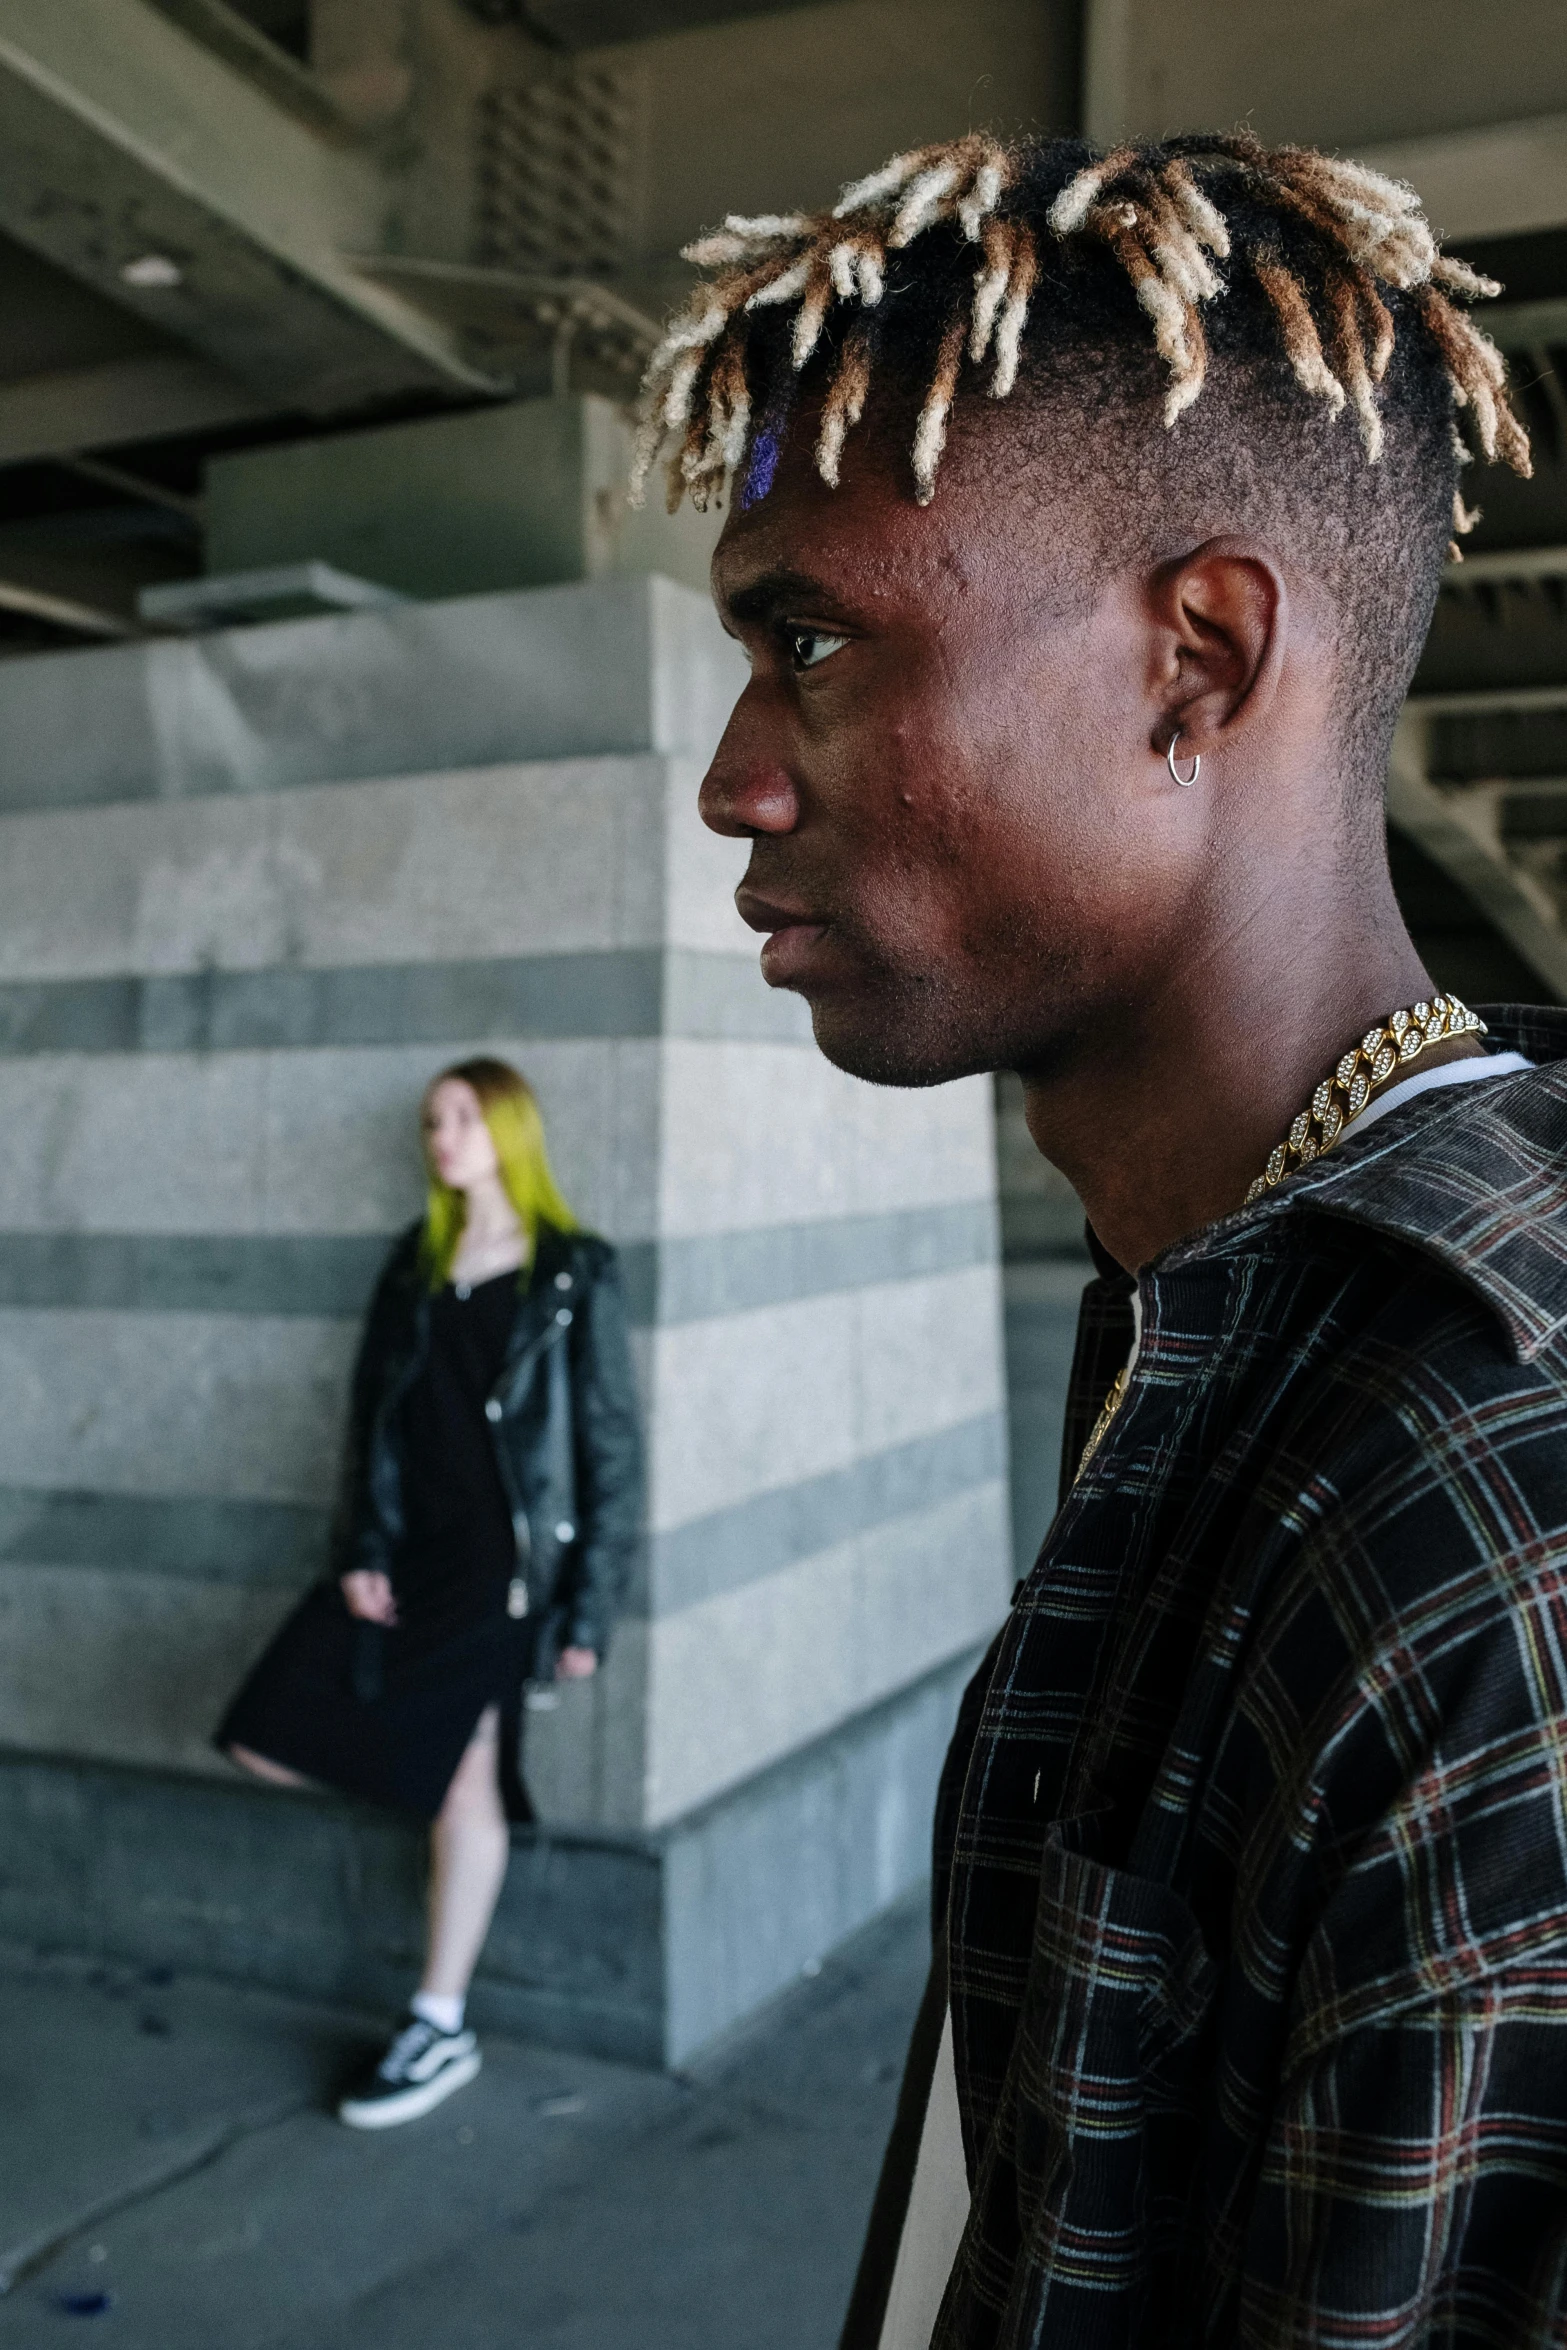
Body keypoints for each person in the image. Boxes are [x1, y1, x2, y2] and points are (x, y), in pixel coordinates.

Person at [632, 131, 1567, 2344]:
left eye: (816, 638)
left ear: (1199, 659)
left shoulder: (1501, 1493)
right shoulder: (1214, 1305)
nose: (735, 778)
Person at [218, 1057, 640, 2128]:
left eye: (461, 1116)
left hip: (505, 1576)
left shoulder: (572, 1271)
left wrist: (587, 1606)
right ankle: (439, 2017)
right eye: (431, 1120)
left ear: (508, 1130)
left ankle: (438, 2020)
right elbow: (372, 1431)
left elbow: (607, 1452)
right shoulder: (414, 1266)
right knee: (266, 1730)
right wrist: (361, 1547)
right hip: (410, 1560)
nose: (440, 1136)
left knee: (466, 1787)